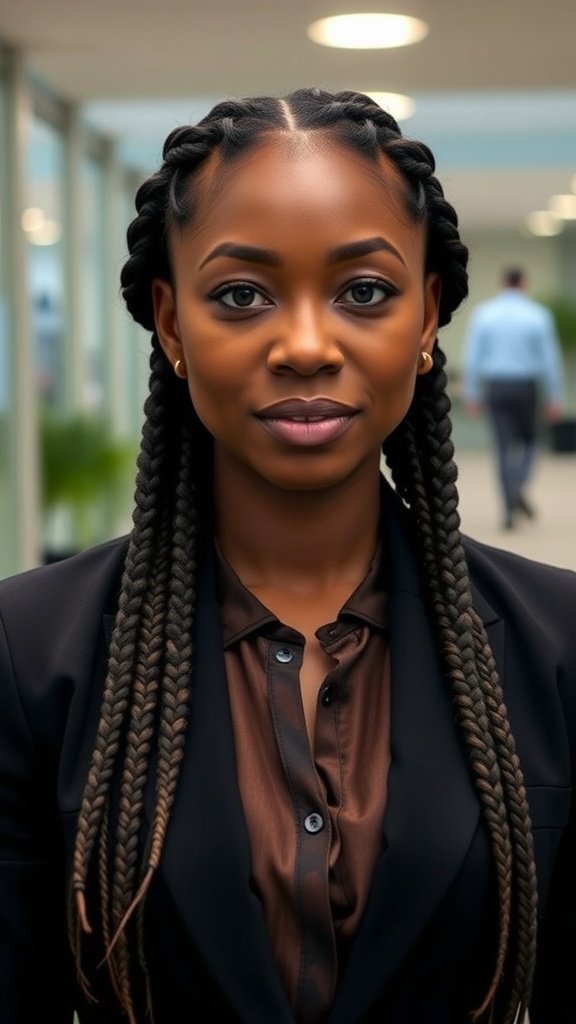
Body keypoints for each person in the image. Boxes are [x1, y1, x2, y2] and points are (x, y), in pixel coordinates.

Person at [0, 88, 575, 1024]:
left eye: (364, 292)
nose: (306, 346)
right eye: (241, 296)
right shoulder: (27, 653)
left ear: (428, 319)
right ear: (171, 324)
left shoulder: (558, 644)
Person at [461, 267, 565, 528]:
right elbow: (550, 359)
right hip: (526, 387)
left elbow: (472, 357)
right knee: (531, 442)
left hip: (496, 386)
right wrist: (555, 396)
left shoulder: (484, 314)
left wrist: (472, 394)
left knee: (502, 447)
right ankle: (517, 485)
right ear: (524, 283)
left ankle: (508, 508)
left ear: (503, 283)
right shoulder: (538, 315)